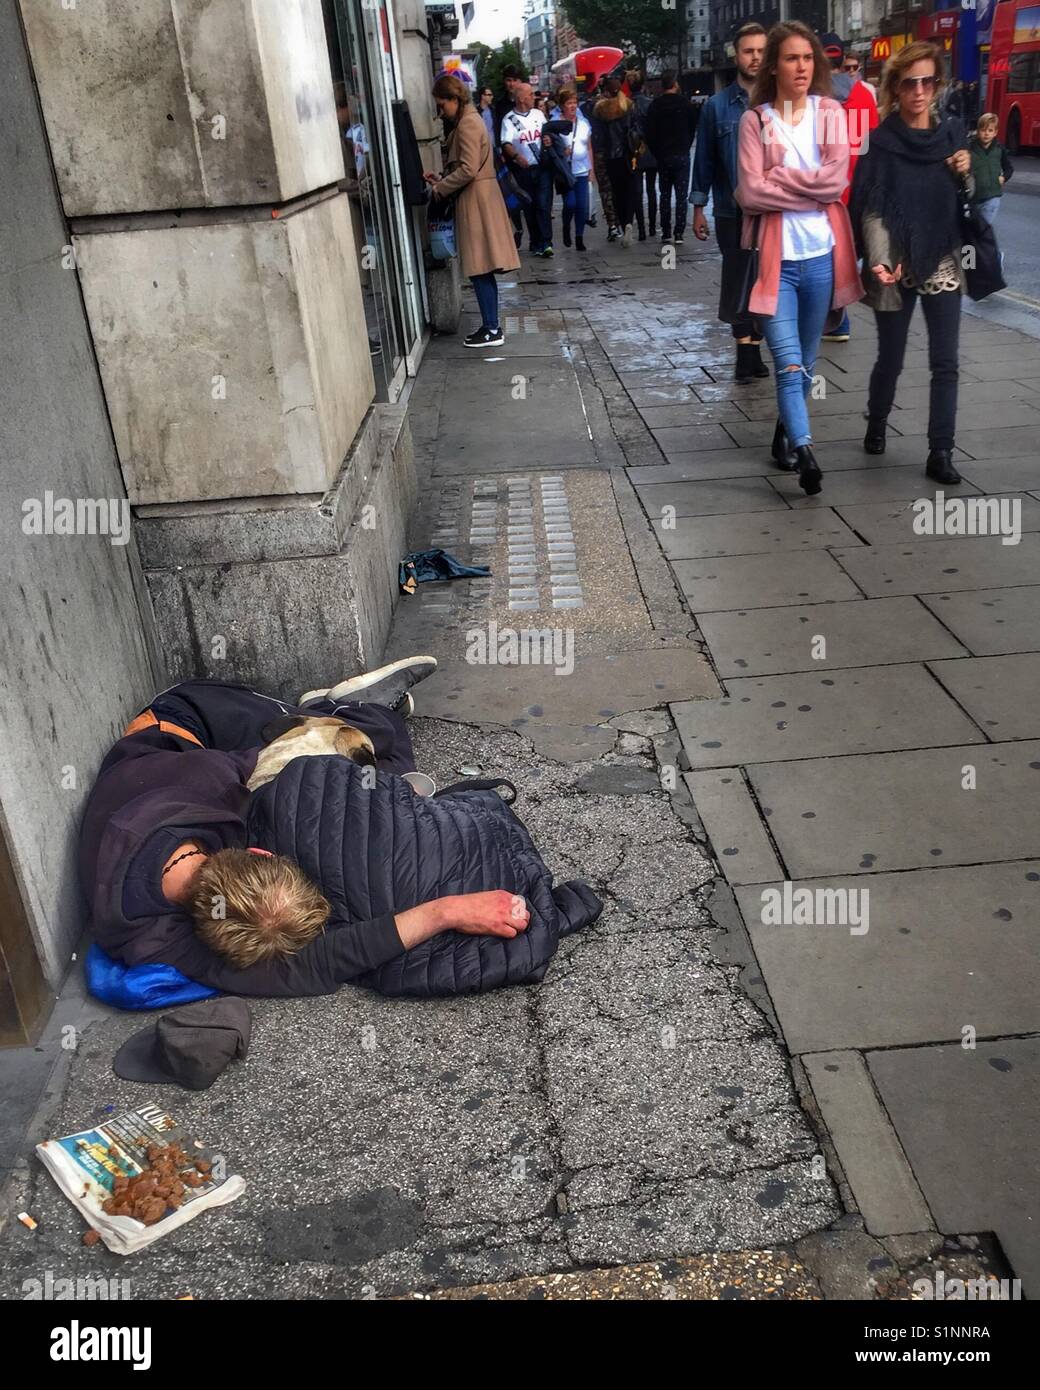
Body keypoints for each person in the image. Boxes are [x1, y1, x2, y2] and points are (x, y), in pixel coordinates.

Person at [79, 662, 539, 997]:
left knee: (317, 750)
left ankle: (341, 706)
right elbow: (313, 966)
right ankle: (364, 719)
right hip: (172, 775)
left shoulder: (207, 785)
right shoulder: (156, 936)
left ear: (258, 852)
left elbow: (291, 771)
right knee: (355, 777)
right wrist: (445, 911)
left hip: (180, 723)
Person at [736, 21, 862, 496]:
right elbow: (750, 191)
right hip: (777, 264)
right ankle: (806, 453)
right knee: (789, 364)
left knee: (807, 363)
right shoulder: (756, 121)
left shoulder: (829, 112)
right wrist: (806, 188)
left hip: (822, 260)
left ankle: (782, 435)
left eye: (808, 58)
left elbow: (836, 183)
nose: (802, 67)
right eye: (791, 58)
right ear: (775, 66)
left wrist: (782, 181)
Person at [849, 41, 972, 485]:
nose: (920, 91)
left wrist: (967, 172)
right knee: (892, 358)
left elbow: (971, 197)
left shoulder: (955, 134)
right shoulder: (881, 142)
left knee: (946, 362)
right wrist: (880, 259)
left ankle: (940, 451)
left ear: (938, 86)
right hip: (894, 263)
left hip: (941, 257)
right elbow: (871, 207)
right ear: (896, 88)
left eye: (928, 81)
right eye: (910, 83)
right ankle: (877, 421)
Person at [691, 23, 771, 383]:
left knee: (767, 278)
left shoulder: (779, 103)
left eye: (760, 51)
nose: (755, 57)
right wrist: (697, 207)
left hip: (773, 210)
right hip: (731, 210)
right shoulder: (716, 107)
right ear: (736, 56)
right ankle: (744, 350)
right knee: (739, 277)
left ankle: (755, 346)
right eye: (748, 51)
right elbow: (704, 159)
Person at [426, 73, 520, 348]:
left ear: (454, 99)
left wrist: (440, 187)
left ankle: (492, 329)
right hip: (480, 197)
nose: (441, 111)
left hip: (477, 200)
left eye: (442, 105)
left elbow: (467, 168)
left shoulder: (467, 123)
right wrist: (442, 179)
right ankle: (491, 326)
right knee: (482, 267)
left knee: (480, 267)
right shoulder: (470, 119)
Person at [822, 40, 880, 343]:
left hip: (820, 195)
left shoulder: (808, 97)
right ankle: (839, 320)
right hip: (855, 193)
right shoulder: (862, 95)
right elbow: (867, 148)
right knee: (846, 257)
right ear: (844, 60)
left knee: (823, 260)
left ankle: (834, 321)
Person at [643, 70, 698, 244]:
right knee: (681, 195)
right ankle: (679, 232)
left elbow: (649, 133)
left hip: (663, 155)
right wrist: (686, 145)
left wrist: (657, 151)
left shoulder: (655, 106)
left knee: (664, 194)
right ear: (675, 84)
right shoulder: (686, 104)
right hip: (681, 153)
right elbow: (692, 128)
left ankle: (666, 231)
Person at [500, 81, 552, 256]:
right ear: (522, 98)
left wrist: (548, 140)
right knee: (530, 206)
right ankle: (536, 241)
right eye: (530, 94)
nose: (533, 97)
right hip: (524, 171)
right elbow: (506, 143)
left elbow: (547, 133)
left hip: (542, 167)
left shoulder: (538, 114)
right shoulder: (508, 120)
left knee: (544, 205)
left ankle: (546, 242)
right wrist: (515, 156)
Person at [592, 74, 639, 246]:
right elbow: (636, 129)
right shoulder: (628, 105)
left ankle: (618, 223)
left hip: (609, 156)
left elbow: (597, 136)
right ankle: (628, 222)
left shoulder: (599, 109)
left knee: (616, 193)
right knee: (630, 190)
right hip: (627, 155)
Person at [553, 87, 593, 250]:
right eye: (569, 103)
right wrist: (562, 151)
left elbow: (589, 147)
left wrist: (592, 170)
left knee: (581, 206)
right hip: (565, 171)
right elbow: (551, 147)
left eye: (575, 103)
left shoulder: (583, 123)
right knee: (570, 203)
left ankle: (579, 237)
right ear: (562, 106)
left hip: (582, 169)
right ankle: (566, 225)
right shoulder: (556, 124)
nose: (573, 106)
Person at [627, 70, 658, 241]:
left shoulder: (626, 104)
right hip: (651, 150)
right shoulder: (650, 103)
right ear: (643, 85)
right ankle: (653, 226)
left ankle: (642, 230)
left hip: (634, 151)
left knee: (637, 191)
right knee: (652, 189)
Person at [969, 111, 1013, 226]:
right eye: (983, 130)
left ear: (995, 133)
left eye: (990, 131)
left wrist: (1003, 178)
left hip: (992, 197)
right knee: (972, 232)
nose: (986, 134)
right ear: (978, 131)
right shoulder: (970, 148)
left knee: (983, 229)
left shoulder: (999, 149)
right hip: (973, 198)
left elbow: (1009, 168)